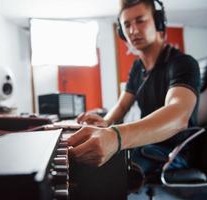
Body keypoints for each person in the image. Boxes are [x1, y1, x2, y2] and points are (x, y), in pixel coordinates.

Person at [67, 0, 200, 189]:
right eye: (127, 25)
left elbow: (178, 116)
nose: (133, 30)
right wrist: (105, 122)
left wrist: (116, 136)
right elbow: (122, 105)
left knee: (101, 166)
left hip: (174, 150)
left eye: (140, 21)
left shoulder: (182, 63)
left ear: (158, 22)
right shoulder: (138, 68)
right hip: (147, 144)